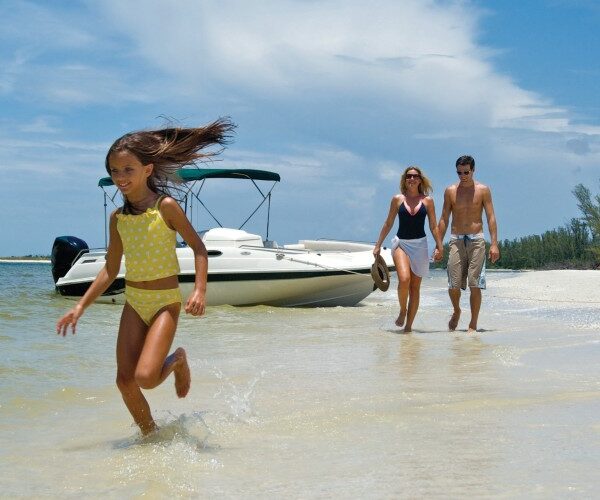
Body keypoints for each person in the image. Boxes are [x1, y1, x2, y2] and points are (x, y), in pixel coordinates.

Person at [56, 118, 235, 435]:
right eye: (114, 171)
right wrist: (80, 307)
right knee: (124, 381)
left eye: (128, 170)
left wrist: (200, 291)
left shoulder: (165, 207)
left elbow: (199, 249)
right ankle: (149, 437)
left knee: (147, 378)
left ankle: (178, 360)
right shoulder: (118, 218)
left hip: (165, 301)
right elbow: (111, 268)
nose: (120, 178)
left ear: (148, 170)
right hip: (134, 301)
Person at [374, 166, 443, 332]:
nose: (411, 179)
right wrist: (378, 244)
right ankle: (403, 310)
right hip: (401, 243)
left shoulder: (428, 201)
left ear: (420, 180)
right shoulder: (397, 199)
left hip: (420, 245)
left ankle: (409, 328)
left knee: (415, 288)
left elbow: (433, 226)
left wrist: (439, 246)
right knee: (404, 280)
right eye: (408, 176)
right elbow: (388, 222)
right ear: (405, 180)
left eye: (415, 176)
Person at [437, 155, 499, 333]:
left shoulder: (483, 190)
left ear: (473, 170)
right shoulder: (450, 191)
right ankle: (456, 310)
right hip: (456, 239)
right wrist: (438, 243)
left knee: (475, 283)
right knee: (453, 284)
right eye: (459, 172)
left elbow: (491, 217)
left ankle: (473, 323)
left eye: (466, 172)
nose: (463, 175)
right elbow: (444, 218)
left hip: (476, 239)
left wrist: (494, 244)